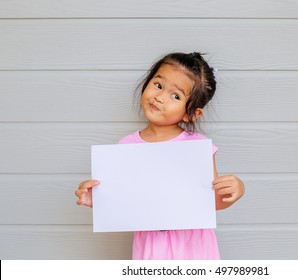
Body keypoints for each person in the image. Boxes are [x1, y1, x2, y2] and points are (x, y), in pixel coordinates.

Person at [75, 52, 245, 260]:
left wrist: (236, 189)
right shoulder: (126, 146)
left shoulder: (197, 146)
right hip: (151, 245)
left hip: (194, 247)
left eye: (176, 96)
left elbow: (212, 203)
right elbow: (126, 199)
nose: (160, 97)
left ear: (191, 113)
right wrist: (99, 199)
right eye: (158, 85)